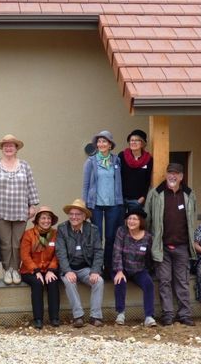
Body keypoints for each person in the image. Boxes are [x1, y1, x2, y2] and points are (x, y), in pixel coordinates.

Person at [0, 134, 40, 285]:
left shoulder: (25, 165)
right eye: (5, 145)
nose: (8, 148)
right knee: (5, 243)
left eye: (11, 145)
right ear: (2, 148)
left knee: (18, 243)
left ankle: (16, 269)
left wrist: (32, 205)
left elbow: (31, 186)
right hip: (1, 211)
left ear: (16, 148)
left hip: (21, 211)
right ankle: (7, 269)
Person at [145, 162, 197, 326]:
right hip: (162, 247)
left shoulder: (189, 194)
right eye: (170, 173)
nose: (172, 176)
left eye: (176, 174)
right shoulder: (156, 193)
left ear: (181, 177)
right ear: (166, 175)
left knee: (182, 281)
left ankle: (185, 314)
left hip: (182, 246)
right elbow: (147, 219)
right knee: (165, 281)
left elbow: (192, 219)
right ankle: (167, 314)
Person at [55, 198, 105, 328]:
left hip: (85, 268)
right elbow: (60, 252)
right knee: (69, 281)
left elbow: (99, 251)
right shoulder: (62, 229)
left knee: (98, 281)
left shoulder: (93, 230)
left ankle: (95, 316)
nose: (74, 217)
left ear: (84, 216)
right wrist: (67, 271)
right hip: (69, 267)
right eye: (71, 214)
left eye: (77, 214)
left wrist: (95, 271)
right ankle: (78, 316)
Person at [82, 130, 124, 276]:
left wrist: (120, 201)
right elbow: (86, 185)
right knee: (97, 237)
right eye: (99, 141)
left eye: (104, 141)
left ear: (110, 144)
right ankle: (97, 267)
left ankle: (110, 267)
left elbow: (118, 182)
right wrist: (85, 204)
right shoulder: (91, 161)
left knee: (111, 237)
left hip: (113, 204)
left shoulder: (116, 160)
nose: (101, 144)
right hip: (96, 205)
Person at [112, 207, 156, 327]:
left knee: (149, 284)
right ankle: (120, 313)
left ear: (140, 221)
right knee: (120, 281)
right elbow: (117, 252)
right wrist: (119, 271)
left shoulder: (147, 237)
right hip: (122, 268)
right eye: (129, 218)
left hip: (139, 269)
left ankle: (149, 316)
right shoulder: (121, 231)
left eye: (135, 219)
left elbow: (148, 257)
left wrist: (148, 271)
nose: (131, 221)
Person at [19, 206, 61, 329]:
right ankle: (38, 319)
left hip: (49, 269)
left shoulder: (56, 234)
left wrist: (51, 270)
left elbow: (58, 254)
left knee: (53, 282)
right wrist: (35, 270)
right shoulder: (29, 234)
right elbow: (24, 255)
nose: (46, 221)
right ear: (37, 220)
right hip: (30, 270)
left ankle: (54, 318)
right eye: (43, 218)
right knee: (37, 283)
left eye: (48, 218)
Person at [119, 129, 153, 213]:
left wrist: (143, 197)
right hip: (121, 199)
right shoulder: (122, 156)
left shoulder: (148, 159)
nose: (133, 142)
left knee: (135, 224)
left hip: (137, 200)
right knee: (121, 225)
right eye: (131, 140)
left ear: (142, 143)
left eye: (136, 140)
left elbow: (147, 180)